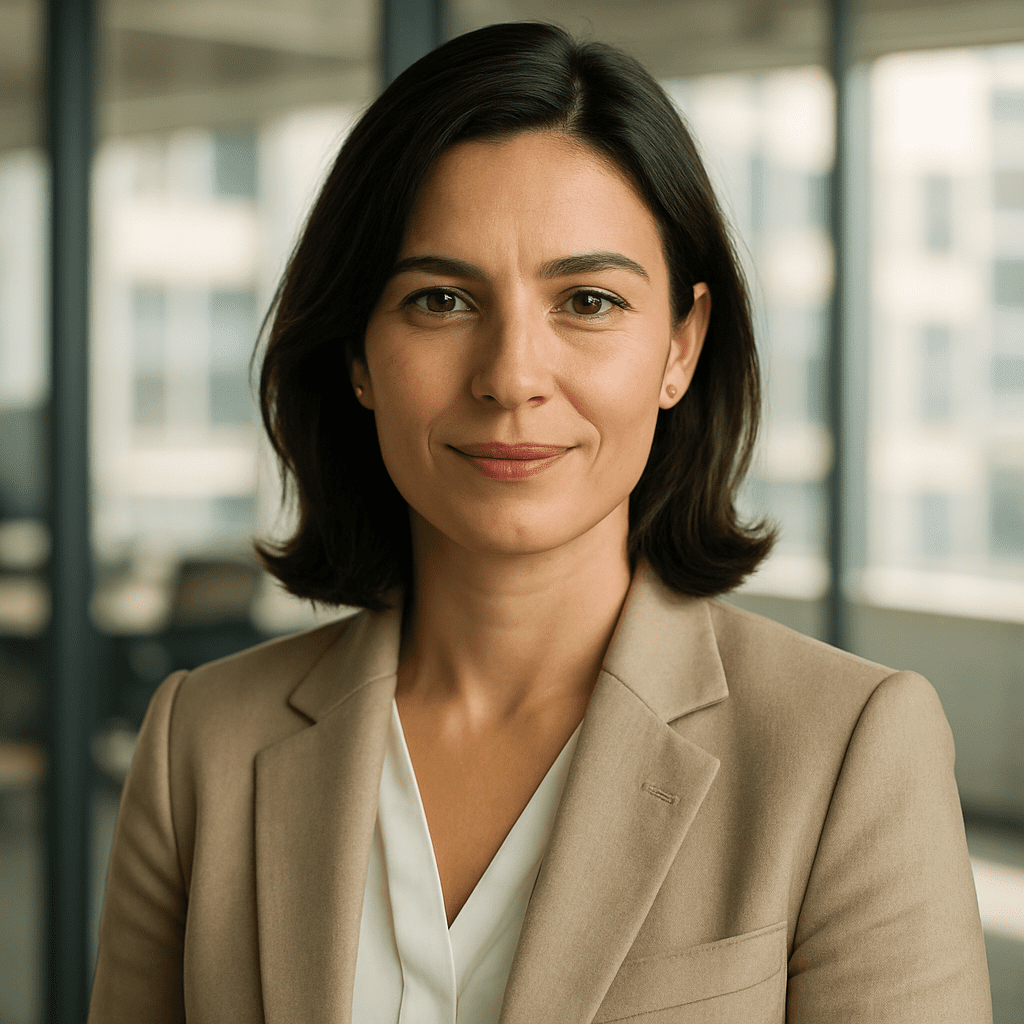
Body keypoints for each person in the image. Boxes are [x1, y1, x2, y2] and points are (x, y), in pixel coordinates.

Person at [88, 21, 992, 1024]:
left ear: (680, 348)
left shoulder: (845, 750)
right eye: (439, 298)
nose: (512, 376)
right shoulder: (200, 746)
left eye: (589, 301)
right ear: (358, 354)